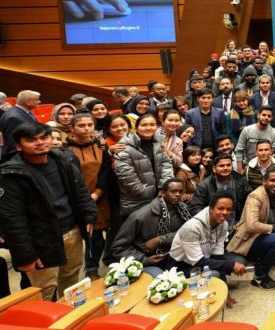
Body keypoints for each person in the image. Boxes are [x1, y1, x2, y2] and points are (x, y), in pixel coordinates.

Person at [0, 122, 96, 300]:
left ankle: (69, 320)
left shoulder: (63, 160)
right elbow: (13, 219)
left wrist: (89, 215)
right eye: (31, 140)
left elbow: (80, 190)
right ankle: (48, 326)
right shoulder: (10, 174)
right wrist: (26, 255)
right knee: (43, 290)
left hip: (72, 231)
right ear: (19, 145)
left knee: (72, 281)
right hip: (41, 239)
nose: (40, 142)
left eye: (44, 137)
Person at [167, 190, 247, 298]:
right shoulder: (191, 228)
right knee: (215, 273)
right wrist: (230, 265)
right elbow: (198, 263)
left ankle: (218, 288)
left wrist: (225, 292)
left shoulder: (223, 225)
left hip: (203, 260)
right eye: (221, 208)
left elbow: (218, 256)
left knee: (240, 263)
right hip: (181, 267)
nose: (225, 213)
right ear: (211, 209)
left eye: (228, 209)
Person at [227, 168, 275, 290]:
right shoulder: (255, 196)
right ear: (263, 181)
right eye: (272, 180)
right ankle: (259, 274)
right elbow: (251, 225)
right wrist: (274, 228)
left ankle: (260, 258)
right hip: (248, 240)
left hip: (263, 235)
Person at [110, 179, 192, 277]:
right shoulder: (141, 216)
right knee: (162, 280)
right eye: (174, 191)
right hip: (147, 261)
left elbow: (189, 232)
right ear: (162, 193)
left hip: (174, 257)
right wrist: (144, 260)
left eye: (181, 191)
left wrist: (160, 239)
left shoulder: (183, 210)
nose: (178, 194)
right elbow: (118, 247)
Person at [64, 113, 111, 281]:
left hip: (101, 197)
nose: (86, 129)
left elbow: (106, 171)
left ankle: (92, 268)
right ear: (72, 128)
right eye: (81, 125)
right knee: (87, 236)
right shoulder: (64, 150)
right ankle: (83, 271)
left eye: (90, 125)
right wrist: (86, 197)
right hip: (77, 199)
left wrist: (97, 193)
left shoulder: (100, 146)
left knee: (98, 235)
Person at [115, 113, 174, 220]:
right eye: (144, 125)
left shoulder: (158, 142)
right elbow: (125, 175)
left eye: (152, 124)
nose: (148, 128)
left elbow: (167, 165)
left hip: (158, 196)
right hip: (136, 201)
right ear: (136, 128)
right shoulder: (124, 146)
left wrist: (163, 187)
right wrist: (145, 193)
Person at [190, 153, 251, 228]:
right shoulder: (204, 185)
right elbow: (195, 208)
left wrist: (242, 221)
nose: (226, 168)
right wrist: (212, 220)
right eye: (222, 166)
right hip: (212, 224)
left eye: (228, 165)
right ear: (214, 169)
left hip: (237, 223)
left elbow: (250, 203)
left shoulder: (241, 181)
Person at [234, 107, 275, 173]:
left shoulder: (274, 132)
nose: (266, 117)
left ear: (271, 118)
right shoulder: (246, 130)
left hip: (267, 167)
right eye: (264, 115)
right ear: (258, 115)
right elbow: (239, 150)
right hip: (248, 165)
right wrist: (239, 169)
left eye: (269, 116)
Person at [0, 90, 41, 155]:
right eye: (37, 100)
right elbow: (13, 143)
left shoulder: (24, 112)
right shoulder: (14, 118)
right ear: (28, 102)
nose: (39, 102)